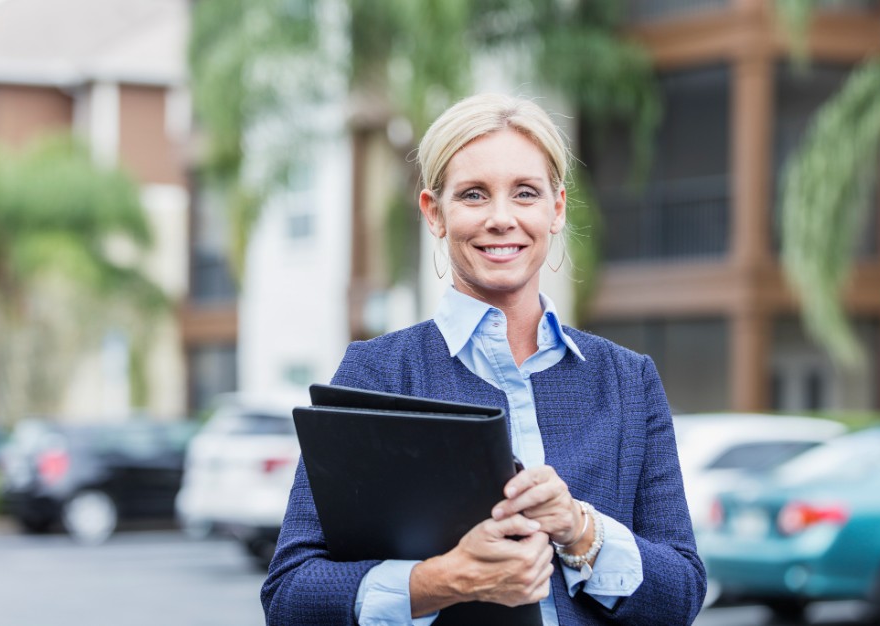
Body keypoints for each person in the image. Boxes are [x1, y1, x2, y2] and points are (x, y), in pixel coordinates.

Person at [261, 93, 706, 625]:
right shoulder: (378, 373)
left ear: (556, 208)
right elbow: (290, 598)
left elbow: (681, 598)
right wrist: (447, 580)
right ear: (435, 213)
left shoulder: (628, 382)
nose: (501, 218)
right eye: (473, 195)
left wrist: (580, 529)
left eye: (525, 193)